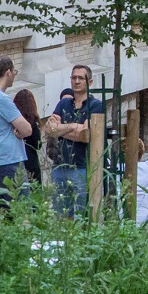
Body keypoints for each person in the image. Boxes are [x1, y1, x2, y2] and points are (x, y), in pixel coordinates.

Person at [43, 65, 104, 215]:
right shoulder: (63, 104)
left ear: (89, 82)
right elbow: (49, 129)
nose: (76, 81)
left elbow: (85, 135)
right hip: (59, 166)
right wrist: (73, 126)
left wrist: (60, 129)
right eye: (73, 77)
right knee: (61, 213)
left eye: (80, 78)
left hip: (81, 167)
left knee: (82, 213)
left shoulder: (95, 105)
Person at [0, 57, 33, 214]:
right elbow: (27, 129)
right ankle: (26, 237)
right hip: (10, 158)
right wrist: (19, 130)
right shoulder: (1, 98)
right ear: (8, 72)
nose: (14, 76)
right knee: (23, 208)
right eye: (14, 72)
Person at [13, 88, 45, 184]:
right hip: (31, 161)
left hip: (16, 159)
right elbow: (38, 145)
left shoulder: (14, 121)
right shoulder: (32, 121)